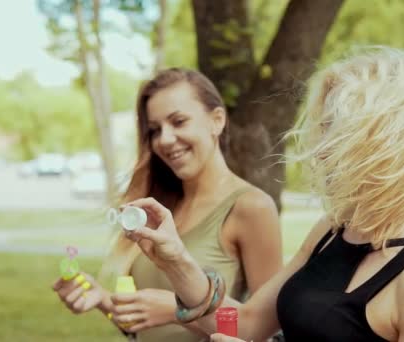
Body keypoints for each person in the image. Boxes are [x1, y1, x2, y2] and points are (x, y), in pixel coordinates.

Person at [121, 47, 404, 342]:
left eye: (337, 133)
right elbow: (247, 323)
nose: (318, 150)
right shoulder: (332, 231)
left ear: (386, 146)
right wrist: (174, 259)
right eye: (323, 128)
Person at [52, 68, 283, 342]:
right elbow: (150, 330)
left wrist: (178, 311)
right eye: (154, 130)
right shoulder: (159, 209)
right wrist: (103, 300)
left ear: (217, 120)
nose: (165, 139)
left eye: (179, 121)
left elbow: (264, 330)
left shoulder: (251, 207)